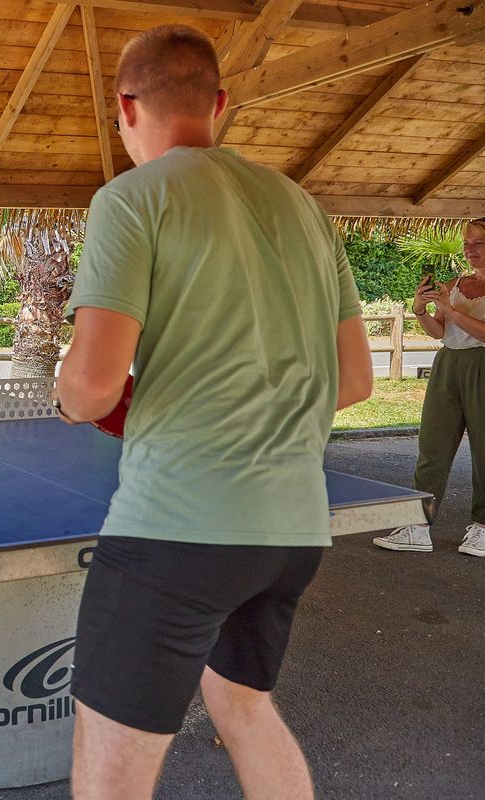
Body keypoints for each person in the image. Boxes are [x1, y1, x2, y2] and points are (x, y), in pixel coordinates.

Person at [50, 24, 373, 800]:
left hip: (177, 528)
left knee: (111, 760)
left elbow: (92, 387)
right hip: (292, 530)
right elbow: (355, 379)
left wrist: (68, 394)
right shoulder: (301, 206)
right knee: (243, 708)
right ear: (219, 104)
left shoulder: (130, 200)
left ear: (124, 107)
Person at [374, 217, 485, 557]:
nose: (469, 249)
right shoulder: (455, 283)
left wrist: (449, 308)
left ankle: (482, 528)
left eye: (478, 243)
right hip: (448, 363)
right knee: (432, 446)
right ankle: (418, 526)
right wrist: (421, 309)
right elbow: (438, 331)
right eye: (467, 243)